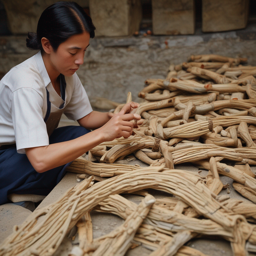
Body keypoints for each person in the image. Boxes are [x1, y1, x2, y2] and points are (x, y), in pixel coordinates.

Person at [0, 1, 141, 205]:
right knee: (82, 147)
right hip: (6, 159)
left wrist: (113, 118)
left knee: (80, 135)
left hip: (30, 151)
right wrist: (103, 133)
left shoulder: (65, 73)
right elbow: (40, 160)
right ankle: (21, 190)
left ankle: (34, 186)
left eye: (84, 50)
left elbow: (86, 118)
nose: (80, 60)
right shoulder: (26, 84)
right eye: (73, 52)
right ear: (47, 45)